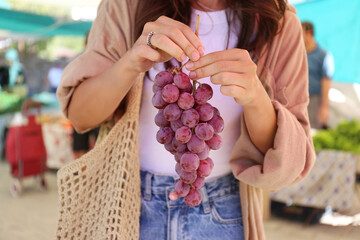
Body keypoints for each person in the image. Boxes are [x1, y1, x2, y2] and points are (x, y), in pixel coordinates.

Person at [57, 0, 316, 239]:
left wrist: (256, 99)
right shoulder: (125, 5)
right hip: (127, 203)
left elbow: (290, 165)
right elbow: (80, 117)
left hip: (224, 208)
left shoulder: (279, 22)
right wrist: (130, 63)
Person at [302, 21, 334, 129]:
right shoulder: (298, 54)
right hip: (298, 98)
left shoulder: (323, 55)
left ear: (309, 34)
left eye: (301, 33)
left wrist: (325, 107)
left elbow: (326, 82)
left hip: (315, 100)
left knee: (313, 132)